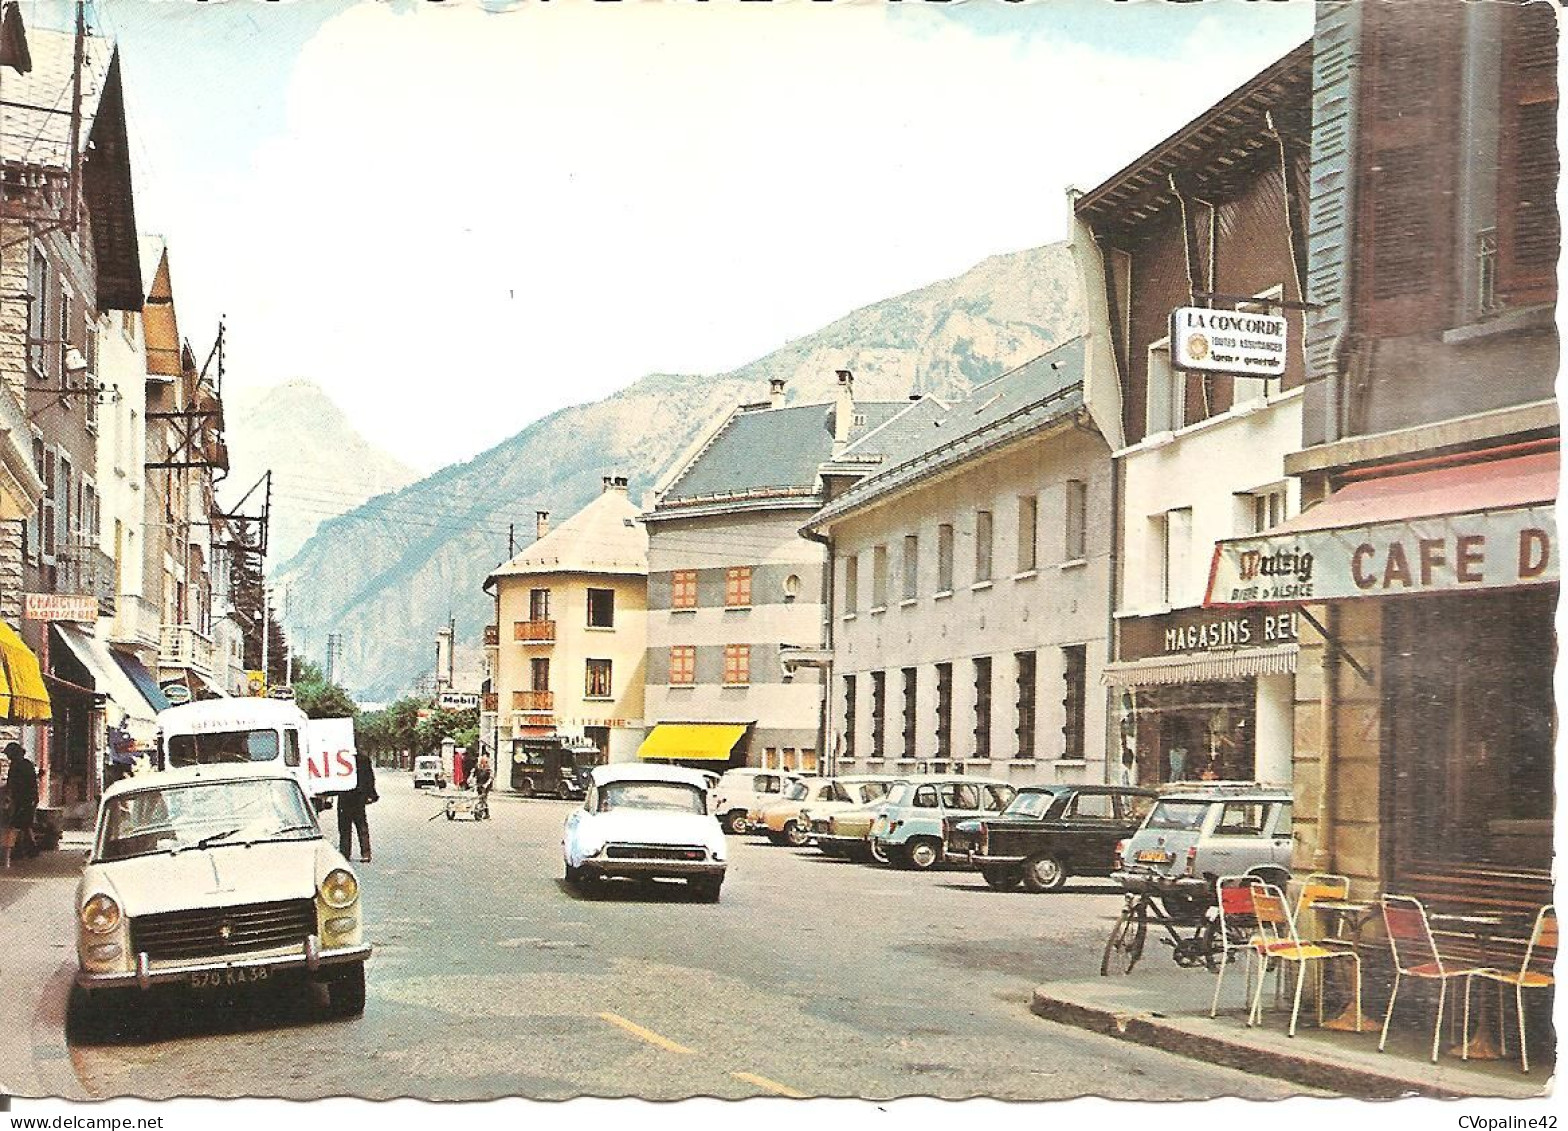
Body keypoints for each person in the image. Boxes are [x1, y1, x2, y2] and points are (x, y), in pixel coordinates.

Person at [336, 750, 378, 863]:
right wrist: (371, 794)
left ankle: (345, 853)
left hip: (344, 796)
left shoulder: (338, 759)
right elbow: (370, 778)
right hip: (359, 797)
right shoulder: (363, 759)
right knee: (361, 825)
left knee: (344, 827)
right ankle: (366, 853)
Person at [3, 742, 38, 867]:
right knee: (24, 825)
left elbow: (15, 783)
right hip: (24, 799)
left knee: (19, 824)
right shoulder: (24, 764)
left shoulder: (20, 765)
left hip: (25, 800)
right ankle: (28, 849)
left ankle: (22, 849)